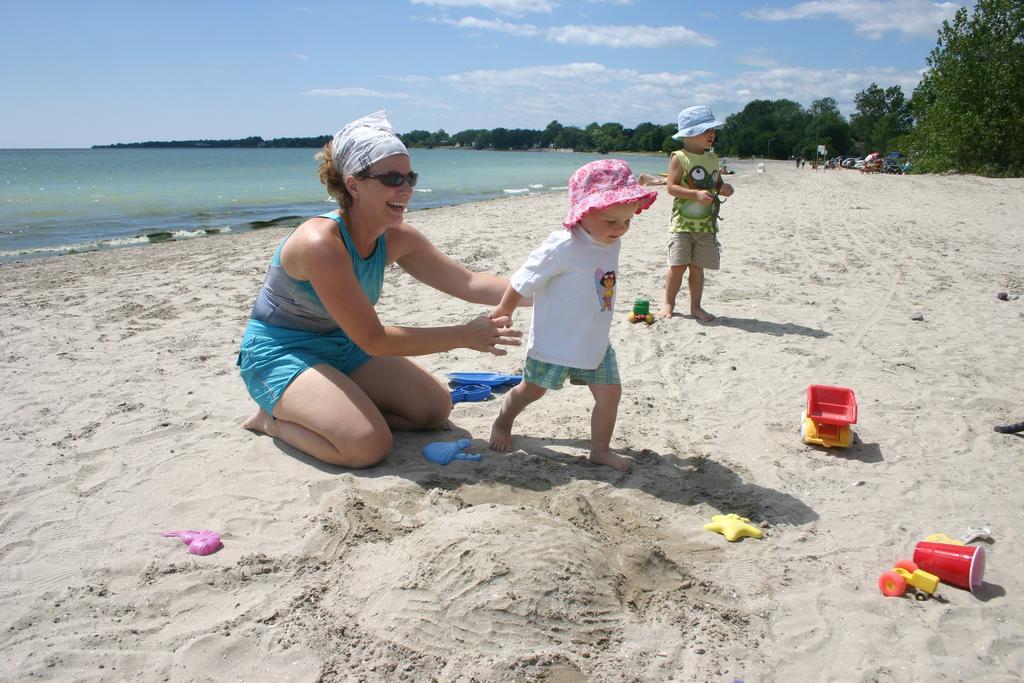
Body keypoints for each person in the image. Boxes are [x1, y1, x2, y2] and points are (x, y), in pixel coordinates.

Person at [237, 111, 521, 468]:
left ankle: (341, 412)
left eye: (410, 177)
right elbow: (374, 339)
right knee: (367, 447)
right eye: (391, 178)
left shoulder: (398, 238)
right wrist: (466, 335)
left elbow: (469, 283)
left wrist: (555, 290)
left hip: (343, 345)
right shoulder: (320, 243)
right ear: (353, 185)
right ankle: (272, 421)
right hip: (281, 351)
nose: (406, 189)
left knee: (433, 410)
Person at [487, 160, 657, 471]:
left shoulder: (609, 240)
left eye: (627, 221)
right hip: (556, 342)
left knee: (610, 395)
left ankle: (600, 450)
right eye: (611, 221)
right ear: (582, 212)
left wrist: (611, 227)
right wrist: (504, 310)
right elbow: (523, 279)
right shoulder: (562, 246)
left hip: (594, 341)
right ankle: (502, 422)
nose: (620, 229)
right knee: (532, 390)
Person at [658, 105, 735, 322]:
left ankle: (695, 307)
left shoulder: (712, 158)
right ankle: (668, 303)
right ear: (689, 135)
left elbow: (717, 183)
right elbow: (671, 188)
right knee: (678, 265)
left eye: (712, 130)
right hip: (682, 223)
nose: (711, 134)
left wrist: (724, 188)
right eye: (705, 130)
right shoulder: (679, 157)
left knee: (697, 268)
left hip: (706, 224)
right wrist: (695, 195)